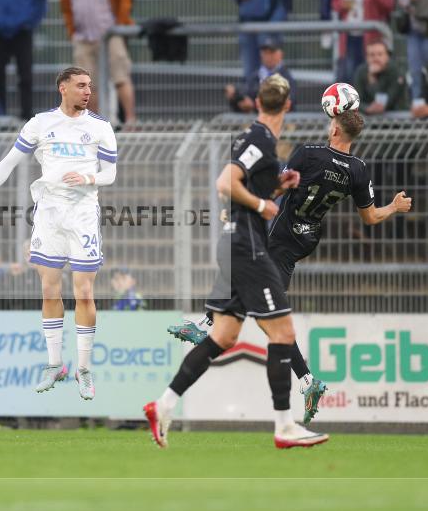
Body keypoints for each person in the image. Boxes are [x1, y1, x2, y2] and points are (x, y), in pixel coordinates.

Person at [169, 108, 413, 425]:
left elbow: (278, 185)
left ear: (336, 130)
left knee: (250, 278)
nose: (329, 126)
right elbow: (369, 217)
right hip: (306, 237)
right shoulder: (358, 169)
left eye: (331, 123)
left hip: (281, 232)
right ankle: (308, 381)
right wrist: (394, 206)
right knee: (271, 312)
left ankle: (203, 325)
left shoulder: (309, 154)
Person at [143, 74, 330, 450]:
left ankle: (162, 405)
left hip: (234, 244)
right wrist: (263, 204)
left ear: (257, 102)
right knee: (282, 334)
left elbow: (243, 182)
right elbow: (226, 183)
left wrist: (279, 186)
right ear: (288, 106)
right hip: (249, 248)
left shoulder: (259, 138)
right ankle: (284, 426)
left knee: (224, 336)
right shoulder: (261, 138)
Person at [0, 67, 118, 400]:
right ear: (63, 88)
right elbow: (10, 160)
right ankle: (55, 364)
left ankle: (83, 368)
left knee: (83, 292)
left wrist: (89, 179)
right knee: (49, 290)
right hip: (49, 216)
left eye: (90, 86)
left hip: (82, 216)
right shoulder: (40, 123)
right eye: (81, 86)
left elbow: (110, 173)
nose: (87, 91)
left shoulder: (100, 127)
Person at [60, 0, 136, 124]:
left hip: (110, 34)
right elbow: (66, 7)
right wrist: (72, 31)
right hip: (83, 38)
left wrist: (120, 23)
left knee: (120, 76)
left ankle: (131, 120)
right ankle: (95, 123)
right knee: (86, 85)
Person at [331, 0, 394, 83]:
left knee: (367, 74)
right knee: (346, 74)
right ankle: (345, 103)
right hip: (349, 34)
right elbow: (335, 3)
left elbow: (388, 5)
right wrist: (343, 4)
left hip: (370, 36)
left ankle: (364, 103)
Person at [225, 36, 295, 113]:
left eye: (271, 52)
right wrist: (235, 98)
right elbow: (246, 97)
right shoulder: (254, 77)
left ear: (280, 54)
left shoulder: (287, 78)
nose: (268, 56)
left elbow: (288, 104)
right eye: (265, 52)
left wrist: (254, 106)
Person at [353, 40, 408, 115]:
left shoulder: (396, 72)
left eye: (380, 54)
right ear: (367, 58)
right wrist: (367, 108)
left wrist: (372, 79)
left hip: (396, 122)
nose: (376, 58)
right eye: (372, 55)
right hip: (369, 121)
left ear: (387, 57)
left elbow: (385, 103)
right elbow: (356, 101)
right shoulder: (361, 72)